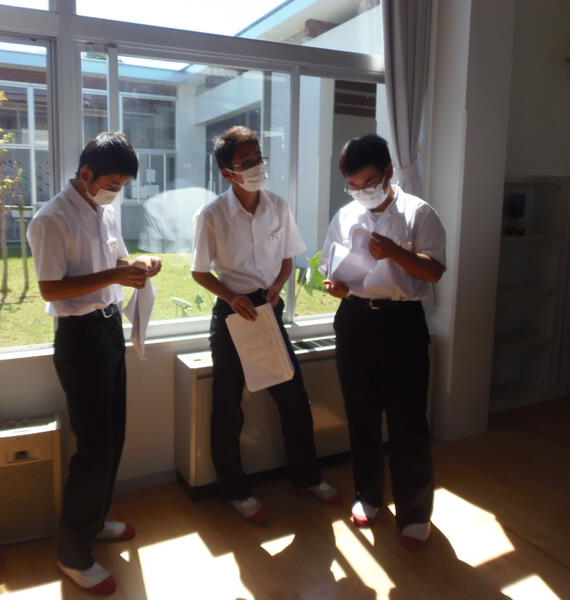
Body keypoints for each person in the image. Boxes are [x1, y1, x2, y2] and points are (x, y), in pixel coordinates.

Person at [26, 131, 161, 595]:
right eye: (112, 184)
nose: (115, 193)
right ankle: (73, 554)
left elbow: (118, 262)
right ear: (86, 173)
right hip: (79, 338)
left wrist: (139, 264)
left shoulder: (104, 212)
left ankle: (95, 523)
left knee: (114, 435)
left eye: (121, 186)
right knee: (94, 446)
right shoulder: (51, 220)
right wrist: (114, 274)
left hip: (108, 328)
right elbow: (51, 288)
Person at [191, 125, 341, 522]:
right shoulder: (212, 215)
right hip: (233, 313)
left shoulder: (278, 206)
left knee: (293, 398)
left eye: (258, 158)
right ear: (228, 173)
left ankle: (307, 477)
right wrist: (232, 297)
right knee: (228, 406)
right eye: (246, 162)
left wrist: (276, 288)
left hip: (268, 309)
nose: (257, 166)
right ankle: (235, 491)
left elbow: (289, 258)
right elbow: (199, 272)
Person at [321, 134, 445, 551]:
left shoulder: (419, 213)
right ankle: (369, 495)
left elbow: (434, 272)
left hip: (401, 323)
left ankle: (415, 512)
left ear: (389, 172)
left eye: (370, 182)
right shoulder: (344, 215)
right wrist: (337, 287)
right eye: (354, 185)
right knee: (361, 414)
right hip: (355, 319)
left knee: (408, 420)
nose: (362, 191)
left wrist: (395, 252)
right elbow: (332, 269)